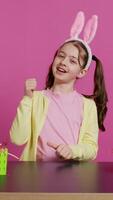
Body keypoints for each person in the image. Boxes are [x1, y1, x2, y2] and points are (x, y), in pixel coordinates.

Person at [10, 11, 108, 161]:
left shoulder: (87, 106)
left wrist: (72, 150)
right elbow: (17, 139)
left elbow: (91, 148)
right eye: (61, 55)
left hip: (72, 177)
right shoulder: (35, 98)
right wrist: (27, 99)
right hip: (36, 177)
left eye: (72, 61)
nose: (63, 62)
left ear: (82, 72)